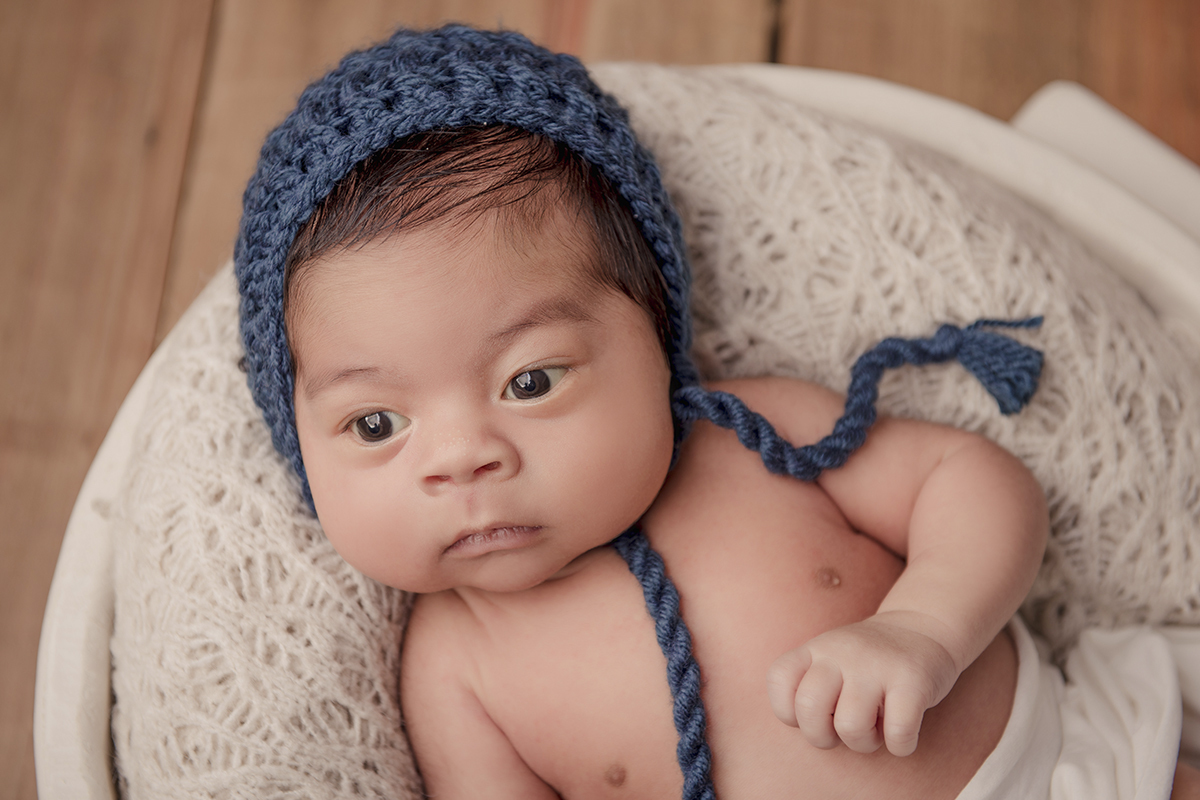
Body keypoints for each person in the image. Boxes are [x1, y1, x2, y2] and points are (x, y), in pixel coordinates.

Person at [234, 25, 1199, 800]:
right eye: (373, 426)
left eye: (531, 381)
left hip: (1077, 770)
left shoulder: (753, 437)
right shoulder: (456, 672)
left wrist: (923, 631)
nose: (461, 458)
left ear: (654, 337)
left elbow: (975, 483)